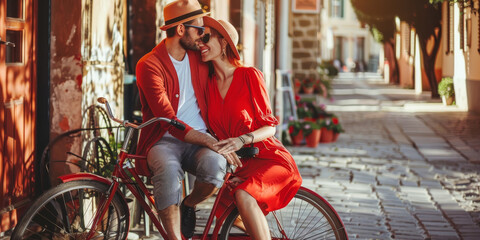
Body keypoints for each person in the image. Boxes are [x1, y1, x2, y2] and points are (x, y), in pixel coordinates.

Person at [135, 1, 241, 239]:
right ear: (181, 29)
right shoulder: (149, 65)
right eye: (199, 29)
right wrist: (210, 141)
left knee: (215, 167)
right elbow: (167, 120)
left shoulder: (200, 57)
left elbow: (228, 60)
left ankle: (189, 204)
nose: (202, 36)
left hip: (200, 141)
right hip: (163, 140)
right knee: (168, 170)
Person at [197, 16, 303, 239]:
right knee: (224, 216)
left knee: (244, 196)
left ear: (224, 43)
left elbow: (270, 128)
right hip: (243, 166)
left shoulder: (249, 76)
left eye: (205, 37)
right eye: (198, 38)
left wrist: (241, 140)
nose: (200, 43)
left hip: (270, 159)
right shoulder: (208, 86)